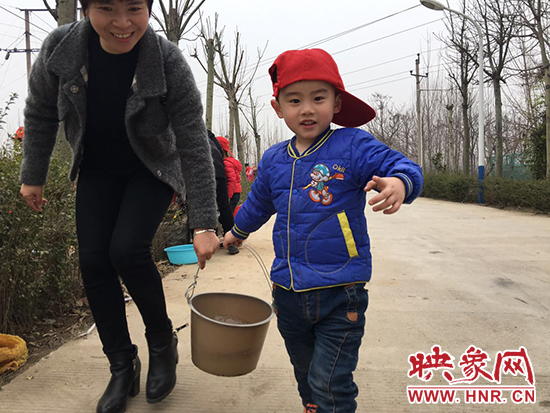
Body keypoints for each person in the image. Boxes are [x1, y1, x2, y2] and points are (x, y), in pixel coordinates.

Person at [18, 1, 219, 412]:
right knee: (94, 262)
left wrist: (204, 222)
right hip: (96, 169)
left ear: (148, 8)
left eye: (134, 8)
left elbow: (193, 140)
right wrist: (33, 174)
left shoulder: (166, 60)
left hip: (151, 168)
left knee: (126, 250)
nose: (122, 22)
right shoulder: (61, 49)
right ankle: (121, 364)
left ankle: (161, 341)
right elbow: (40, 110)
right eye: (107, 8)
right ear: (86, 8)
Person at [223, 48, 423, 413]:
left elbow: (401, 164)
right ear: (278, 107)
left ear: (337, 103)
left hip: (340, 292)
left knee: (330, 383)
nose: (307, 109)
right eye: (294, 100)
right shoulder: (273, 159)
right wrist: (236, 232)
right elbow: (259, 204)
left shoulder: (352, 145)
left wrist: (400, 182)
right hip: (287, 293)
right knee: (306, 376)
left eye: (318, 98)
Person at [216, 135, 242, 255]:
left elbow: (231, 181)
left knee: (226, 217)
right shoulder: (230, 162)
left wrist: (227, 197)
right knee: (226, 217)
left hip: (231, 193)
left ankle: (233, 242)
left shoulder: (226, 164)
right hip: (234, 193)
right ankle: (230, 239)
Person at [207, 130, 234, 237]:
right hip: (219, 171)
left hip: (202, 171)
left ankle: (209, 237)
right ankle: (231, 237)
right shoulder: (208, 134)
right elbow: (219, 149)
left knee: (205, 207)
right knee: (225, 206)